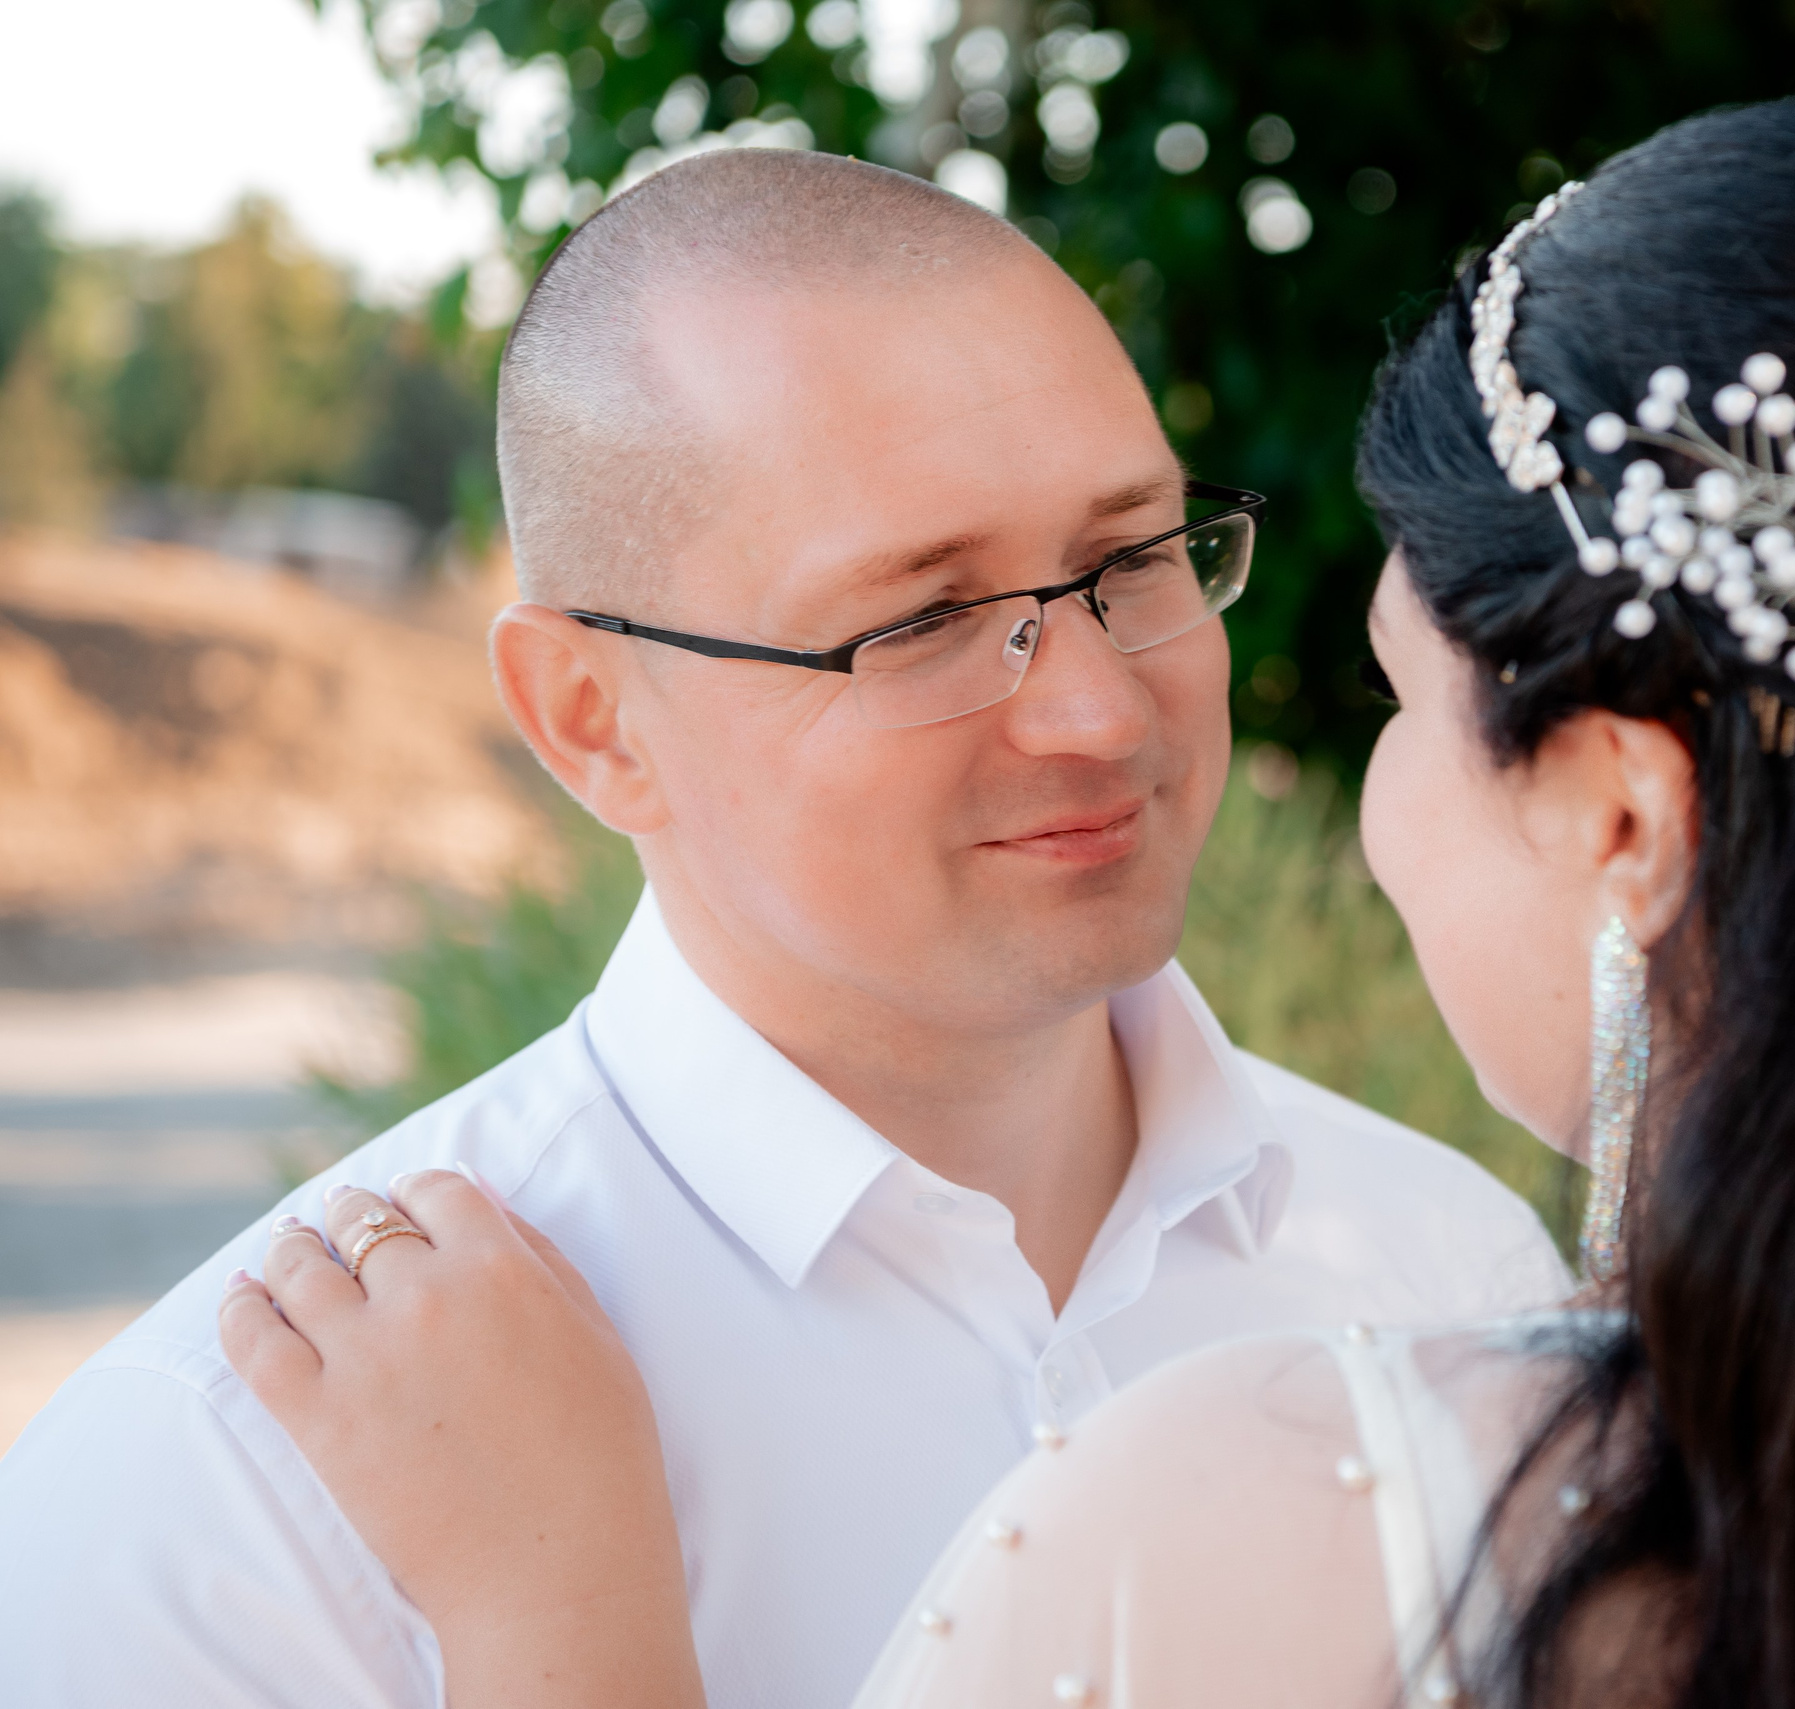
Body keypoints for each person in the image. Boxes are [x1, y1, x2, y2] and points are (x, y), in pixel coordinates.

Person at [223, 97, 1795, 1709]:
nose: (1107, 717)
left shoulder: (1316, 1466)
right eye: (922, 617)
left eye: (1399, 714)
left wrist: (565, 1637)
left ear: (1620, 813)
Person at [0, 149, 1571, 1708]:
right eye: (923, 621)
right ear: (592, 718)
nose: (1099, 709)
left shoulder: (1454, 1269)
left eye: (1132, 560)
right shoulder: (222, 1496)